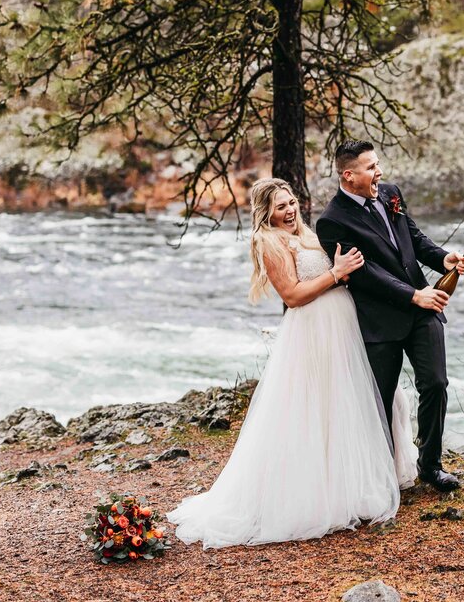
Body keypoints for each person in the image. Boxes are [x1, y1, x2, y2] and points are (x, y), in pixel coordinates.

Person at [167, 178, 417, 548]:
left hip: (343, 325)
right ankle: (321, 493)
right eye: (281, 206)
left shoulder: (308, 233)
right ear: (266, 212)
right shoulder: (268, 241)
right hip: (314, 330)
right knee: (319, 408)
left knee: (354, 401)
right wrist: (336, 273)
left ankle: (358, 481)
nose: (290, 210)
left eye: (292, 202)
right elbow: (293, 295)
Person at [316, 140, 464, 493]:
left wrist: (443, 258)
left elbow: (412, 238)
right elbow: (363, 273)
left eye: (377, 164)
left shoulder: (390, 194)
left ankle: (430, 466)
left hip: (423, 310)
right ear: (349, 175)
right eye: (371, 167)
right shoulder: (331, 222)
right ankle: (381, 476)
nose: (379, 172)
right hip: (379, 322)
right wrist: (413, 295)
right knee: (379, 402)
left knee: (435, 383)